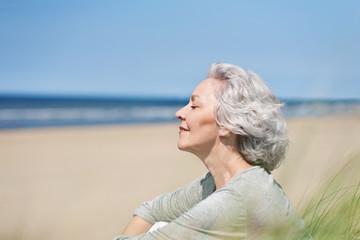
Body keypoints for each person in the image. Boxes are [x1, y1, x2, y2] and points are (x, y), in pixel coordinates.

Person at [113, 63, 312, 239]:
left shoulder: (239, 198)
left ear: (227, 124)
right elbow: (152, 210)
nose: (180, 113)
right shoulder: (216, 184)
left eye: (194, 105)